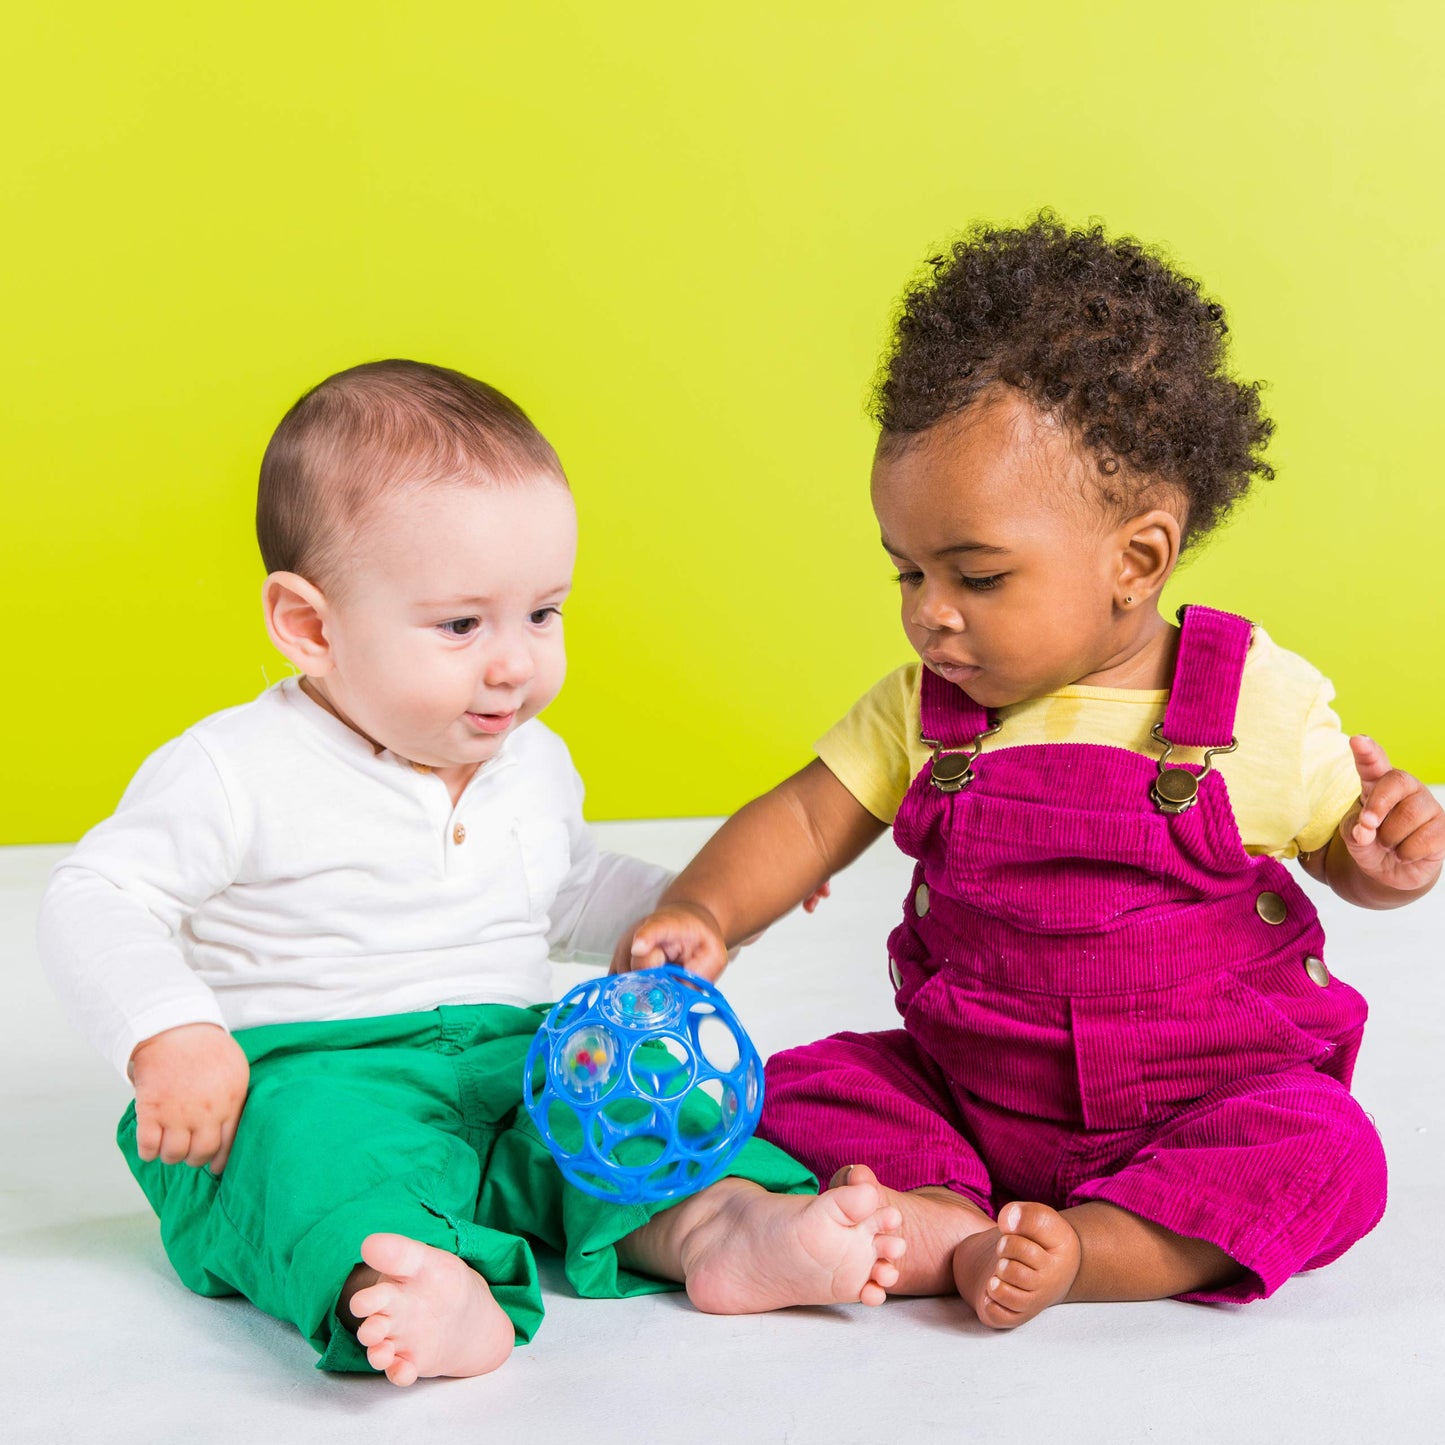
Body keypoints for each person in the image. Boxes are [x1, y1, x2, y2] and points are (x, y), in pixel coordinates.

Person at [613, 216, 1444, 1329]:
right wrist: (702, 907)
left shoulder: (1252, 704)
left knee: (1327, 1151)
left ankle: (1102, 1246)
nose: (928, 612)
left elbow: (1351, 854)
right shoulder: (924, 712)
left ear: (1135, 559)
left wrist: (1383, 858)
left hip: (1195, 1102)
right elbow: (807, 817)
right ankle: (942, 1217)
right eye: (905, 571)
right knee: (798, 1083)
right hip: (968, 1091)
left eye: (977, 574)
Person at [38, 359, 904, 1385]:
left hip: (510, 1057)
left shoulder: (528, 757)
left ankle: (723, 1224)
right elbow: (95, 894)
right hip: (312, 1065)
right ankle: (409, 1287)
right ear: (311, 627)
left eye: (543, 613)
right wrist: (169, 1030)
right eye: (461, 624)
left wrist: (675, 911)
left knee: (634, 1102)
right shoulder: (235, 767)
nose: (513, 663)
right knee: (305, 1157)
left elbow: (565, 886)